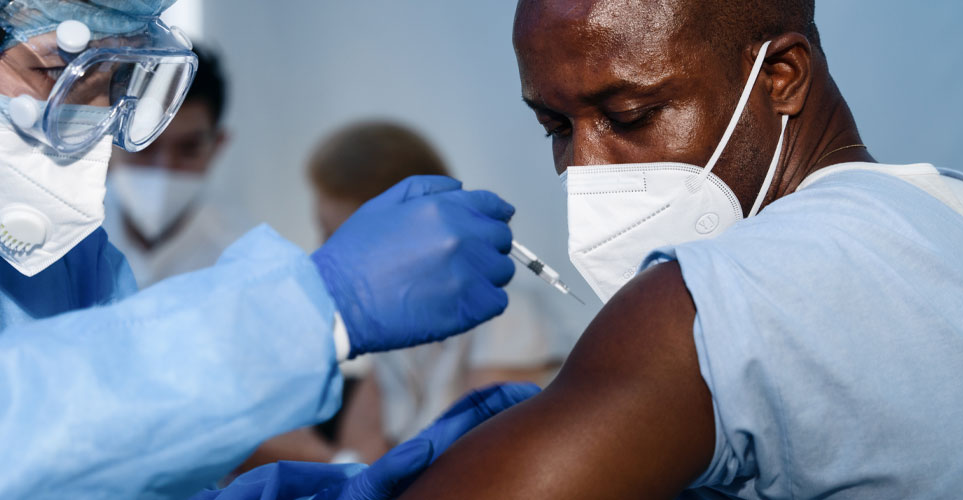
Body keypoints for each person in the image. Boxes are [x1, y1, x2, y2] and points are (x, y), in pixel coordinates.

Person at [395, 0, 963, 498]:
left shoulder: (714, 296)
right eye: (557, 128)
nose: (584, 171)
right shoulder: (939, 206)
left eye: (630, 116)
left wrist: (322, 314)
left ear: (780, 76)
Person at [0, 1, 524, 498]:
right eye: (56, 68)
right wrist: (316, 309)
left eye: (116, 78)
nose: (94, 119)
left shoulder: (75, 253)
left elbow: (100, 462)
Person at [307, 121, 569, 463]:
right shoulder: (394, 326)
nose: (321, 254)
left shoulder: (511, 315)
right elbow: (355, 458)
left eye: (334, 238)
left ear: (408, 229)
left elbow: (481, 461)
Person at [104, 45, 246, 288]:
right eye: (143, 143)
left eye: (189, 147)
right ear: (110, 138)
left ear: (217, 146)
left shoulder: (242, 258)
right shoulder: (63, 239)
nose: (165, 167)